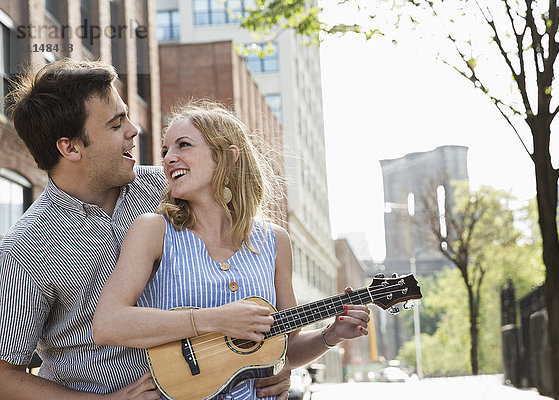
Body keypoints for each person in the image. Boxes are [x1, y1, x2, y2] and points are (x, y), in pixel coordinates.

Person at [0, 59, 290, 399]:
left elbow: (245, 263)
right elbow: (5, 376)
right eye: (115, 123)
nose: (133, 130)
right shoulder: (25, 249)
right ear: (70, 147)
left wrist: (275, 368)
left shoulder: (168, 189)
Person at [92, 101, 371, 400]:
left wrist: (331, 335)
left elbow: (287, 348)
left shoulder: (275, 241)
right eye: (165, 151)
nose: (169, 159)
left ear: (227, 156)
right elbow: (108, 324)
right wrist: (213, 319)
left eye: (183, 145)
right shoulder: (154, 231)